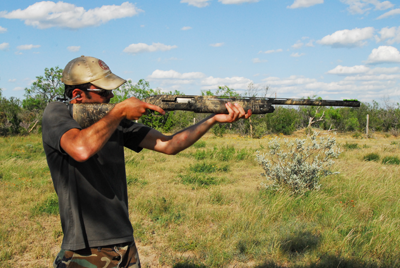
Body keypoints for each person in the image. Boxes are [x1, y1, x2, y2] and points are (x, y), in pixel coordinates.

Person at [42, 55, 252, 268]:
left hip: (125, 243)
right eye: (104, 92)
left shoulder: (115, 121)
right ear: (78, 94)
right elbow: (80, 149)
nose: (111, 96)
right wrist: (120, 111)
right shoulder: (57, 112)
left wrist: (213, 119)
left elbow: (169, 145)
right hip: (84, 250)